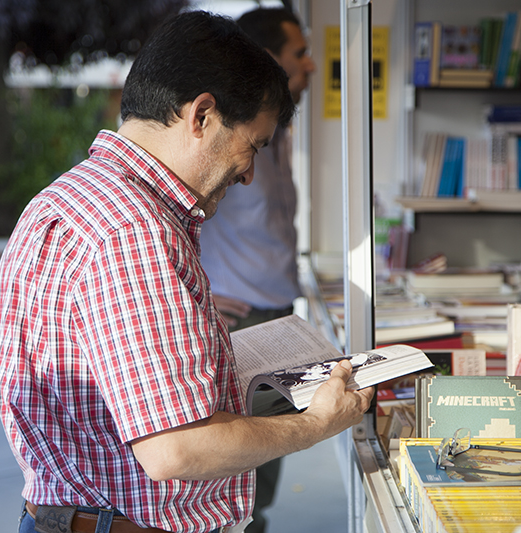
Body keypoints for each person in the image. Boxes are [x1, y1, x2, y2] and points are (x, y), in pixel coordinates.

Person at [0, 10, 373, 533]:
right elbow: (176, 448)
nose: (249, 174)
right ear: (202, 115)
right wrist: (316, 422)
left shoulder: (69, 197)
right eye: (253, 145)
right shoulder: (134, 231)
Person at [198, 9, 316, 533]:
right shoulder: (225, 145)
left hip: (273, 314)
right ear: (266, 62)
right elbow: (181, 212)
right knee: (236, 483)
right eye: (299, 54)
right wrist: (200, 292)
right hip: (240, 319)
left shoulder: (278, 136)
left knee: (258, 484)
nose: (311, 64)